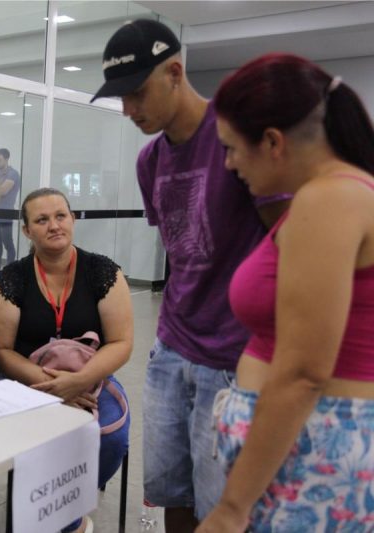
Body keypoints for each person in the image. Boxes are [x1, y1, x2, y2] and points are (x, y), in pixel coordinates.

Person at [91, 19, 288, 530]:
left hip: (233, 355)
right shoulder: (149, 161)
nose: (128, 110)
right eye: (120, 98)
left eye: (137, 94)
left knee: (223, 505)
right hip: (172, 349)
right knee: (169, 493)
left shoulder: (237, 136)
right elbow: (179, 254)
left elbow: (286, 246)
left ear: (175, 72)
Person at [194, 54, 374, 532]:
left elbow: (302, 373)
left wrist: (232, 507)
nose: (229, 164)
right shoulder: (335, 194)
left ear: (272, 141)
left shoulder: (331, 198)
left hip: (318, 446)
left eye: (232, 149)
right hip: (308, 444)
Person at [0, 188, 133, 533]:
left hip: (90, 379)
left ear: (72, 220)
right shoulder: (10, 280)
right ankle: (54, 511)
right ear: (27, 231)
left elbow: (121, 342)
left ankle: (70, 497)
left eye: (60, 216)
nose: (54, 225)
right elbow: (1, 351)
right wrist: (51, 385)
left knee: (111, 439)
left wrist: (78, 382)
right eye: (41, 220)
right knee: (27, 437)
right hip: (26, 382)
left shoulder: (103, 273)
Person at [0, 148, 20, 270]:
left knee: (7, 242)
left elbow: (3, 191)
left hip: (7, 214)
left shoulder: (13, 174)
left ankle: (10, 272)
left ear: (7, 159)